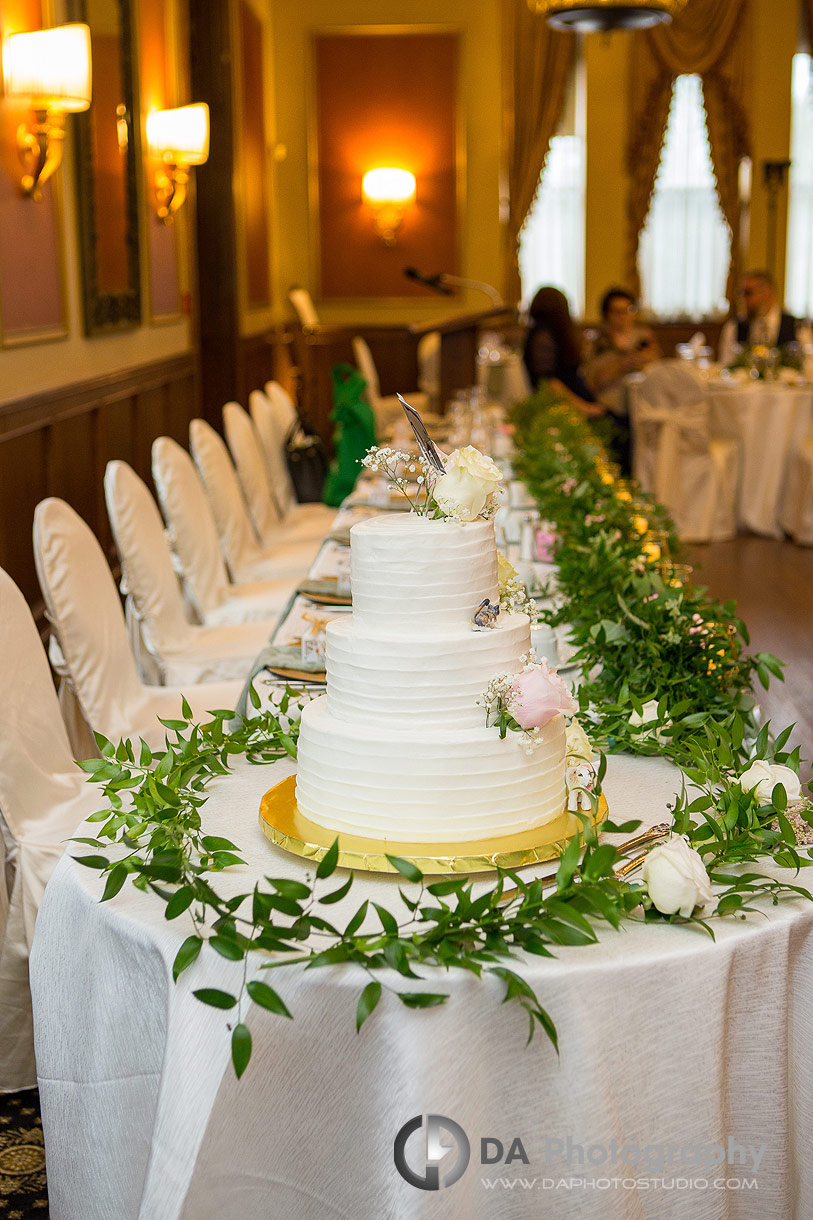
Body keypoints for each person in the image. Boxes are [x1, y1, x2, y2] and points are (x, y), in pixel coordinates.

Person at [523, 286, 604, 418]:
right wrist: (586, 408)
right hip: (564, 409)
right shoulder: (543, 337)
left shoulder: (545, 334)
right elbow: (548, 382)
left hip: (571, 404)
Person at [582, 287, 660, 416]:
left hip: (642, 408)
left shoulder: (644, 338)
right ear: (606, 314)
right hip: (609, 409)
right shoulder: (597, 341)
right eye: (617, 311)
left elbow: (658, 371)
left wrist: (646, 361)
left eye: (628, 310)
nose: (623, 316)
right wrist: (620, 365)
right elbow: (591, 384)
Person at [718, 269, 803, 366]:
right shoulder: (734, 326)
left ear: (767, 292)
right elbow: (725, 365)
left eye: (748, 293)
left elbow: (808, 364)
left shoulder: (796, 326)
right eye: (740, 293)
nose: (743, 299)